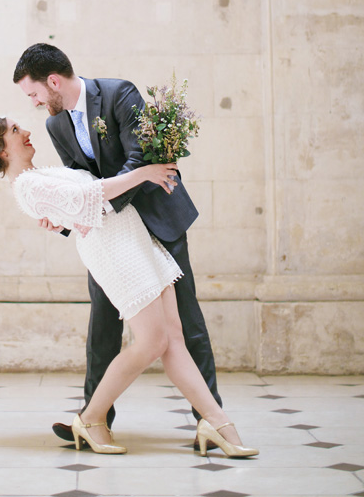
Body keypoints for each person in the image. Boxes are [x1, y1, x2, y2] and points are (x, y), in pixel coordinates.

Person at [0, 117, 258, 459]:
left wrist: (64, 216)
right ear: (2, 149)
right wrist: (145, 172)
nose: (27, 132)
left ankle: (216, 422)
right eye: (16, 131)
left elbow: (78, 204)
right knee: (153, 341)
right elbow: (91, 194)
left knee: (172, 339)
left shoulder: (37, 176)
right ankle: (91, 418)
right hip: (115, 251)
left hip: (132, 240)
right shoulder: (26, 186)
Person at [13, 43, 221, 450]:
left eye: (34, 93)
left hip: (156, 220)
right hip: (110, 237)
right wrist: (65, 217)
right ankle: (93, 418)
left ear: (53, 81)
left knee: (187, 324)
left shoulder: (118, 93)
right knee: (102, 324)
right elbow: (78, 183)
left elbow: (140, 158)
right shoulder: (57, 126)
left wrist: (98, 207)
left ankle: (208, 420)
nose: (35, 103)